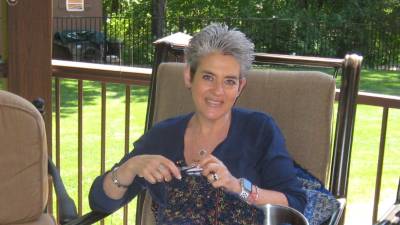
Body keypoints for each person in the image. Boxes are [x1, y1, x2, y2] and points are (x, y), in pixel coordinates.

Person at [89, 23, 306, 225]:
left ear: (240, 87)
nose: (217, 91)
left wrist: (236, 185)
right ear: (188, 77)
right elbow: (101, 202)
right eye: (208, 77)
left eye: (229, 81)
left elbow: (296, 205)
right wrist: (131, 167)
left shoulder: (259, 130)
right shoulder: (163, 136)